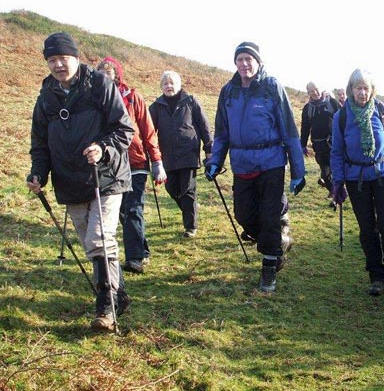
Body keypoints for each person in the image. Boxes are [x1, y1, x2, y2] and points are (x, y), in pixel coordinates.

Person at [27, 32, 134, 331]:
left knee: (99, 239)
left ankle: (105, 310)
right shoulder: (46, 96)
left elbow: (124, 129)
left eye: (63, 58)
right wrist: (38, 173)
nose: (58, 64)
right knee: (93, 246)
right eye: (52, 60)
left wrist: (102, 148)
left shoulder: (99, 84)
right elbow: (40, 143)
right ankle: (119, 293)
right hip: (69, 182)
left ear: (76, 57)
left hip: (106, 178)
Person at [205, 41, 306, 293]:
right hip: (241, 164)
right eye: (240, 59)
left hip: (271, 162)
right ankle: (279, 241)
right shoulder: (228, 91)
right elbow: (222, 132)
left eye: (249, 59)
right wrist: (215, 160)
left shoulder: (271, 87)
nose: (244, 63)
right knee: (244, 215)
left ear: (258, 62)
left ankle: (269, 269)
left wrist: (298, 171)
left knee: (268, 218)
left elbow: (289, 130)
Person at [331, 68, 384, 296]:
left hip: (383, 175)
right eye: (358, 88)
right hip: (356, 180)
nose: (362, 92)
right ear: (351, 89)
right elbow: (336, 152)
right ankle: (377, 276)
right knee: (368, 229)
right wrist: (338, 183)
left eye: (366, 88)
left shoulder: (381, 110)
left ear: (372, 90)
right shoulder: (342, 117)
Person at [97, 57, 167, 274]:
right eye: (101, 76)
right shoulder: (93, 101)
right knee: (121, 211)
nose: (105, 80)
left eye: (108, 75)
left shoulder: (133, 97)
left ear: (117, 76)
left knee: (133, 208)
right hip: (109, 163)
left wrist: (157, 161)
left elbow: (147, 130)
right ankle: (141, 249)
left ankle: (135, 258)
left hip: (135, 161)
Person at [149, 71, 213, 238]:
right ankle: (190, 208)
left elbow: (204, 126)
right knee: (171, 188)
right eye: (165, 84)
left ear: (179, 85)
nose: (169, 86)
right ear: (161, 87)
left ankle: (190, 227)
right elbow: (148, 131)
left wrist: (209, 149)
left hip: (188, 153)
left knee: (187, 190)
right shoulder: (156, 106)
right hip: (167, 155)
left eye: (172, 83)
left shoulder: (191, 101)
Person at [300, 81, 340, 208]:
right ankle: (334, 193)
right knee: (325, 173)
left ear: (321, 88)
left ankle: (337, 196)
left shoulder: (332, 102)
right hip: (318, 146)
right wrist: (303, 144)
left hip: (333, 144)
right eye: (311, 91)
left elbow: (343, 120)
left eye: (316, 89)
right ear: (308, 93)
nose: (314, 93)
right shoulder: (307, 108)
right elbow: (305, 127)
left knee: (336, 171)